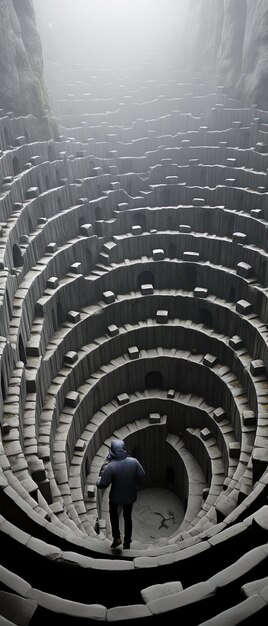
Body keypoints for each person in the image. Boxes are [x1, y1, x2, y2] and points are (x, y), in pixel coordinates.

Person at [96, 439, 145, 549]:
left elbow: (101, 484)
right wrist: (136, 486)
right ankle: (127, 542)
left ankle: (117, 537)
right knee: (128, 517)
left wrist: (98, 478)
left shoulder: (111, 467)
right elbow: (142, 475)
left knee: (113, 516)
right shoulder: (134, 461)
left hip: (115, 498)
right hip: (130, 496)